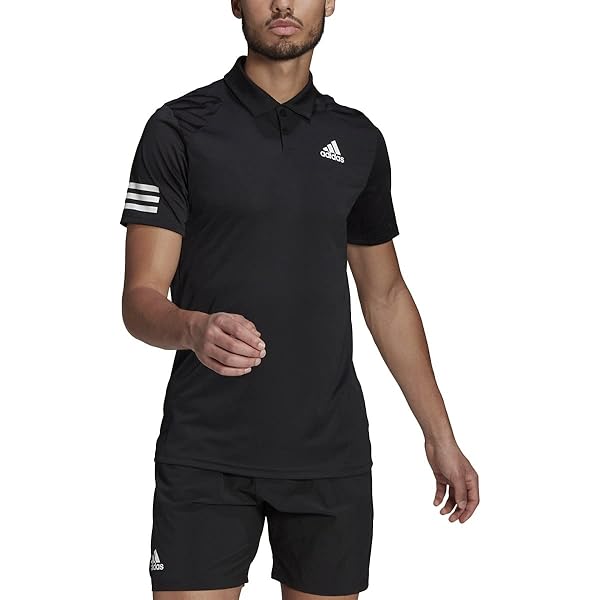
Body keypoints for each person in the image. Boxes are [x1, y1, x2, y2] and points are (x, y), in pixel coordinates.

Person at [120, 1, 480, 598]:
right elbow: (139, 299)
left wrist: (440, 435)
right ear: (235, 2)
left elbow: (385, 295)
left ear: (330, 2)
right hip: (206, 453)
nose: (284, 4)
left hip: (329, 456)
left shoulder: (358, 140)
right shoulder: (178, 127)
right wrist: (191, 328)